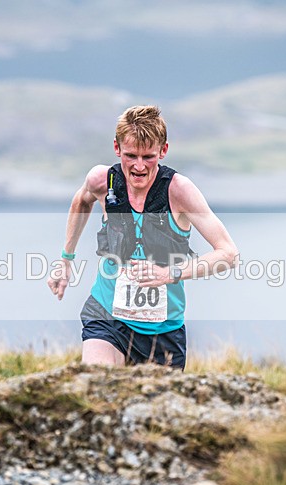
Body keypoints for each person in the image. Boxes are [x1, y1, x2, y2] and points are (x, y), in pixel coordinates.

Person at [48, 105, 238, 371]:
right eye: (130, 155)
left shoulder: (179, 191)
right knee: (96, 382)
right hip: (107, 315)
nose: (138, 167)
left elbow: (228, 254)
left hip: (163, 330)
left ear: (163, 150)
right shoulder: (103, 181)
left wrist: (169, 274)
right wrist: (66, 259)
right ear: (117, 148)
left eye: (148, 157)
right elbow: (81, 201)